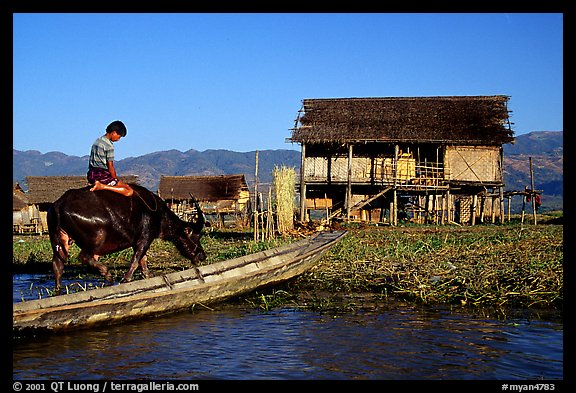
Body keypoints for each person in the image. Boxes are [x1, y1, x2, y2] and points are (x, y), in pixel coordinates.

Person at [87, 120, 134, 197]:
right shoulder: (109, 146)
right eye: (119, 137)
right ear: (114, 132)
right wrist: (115, 179)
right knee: (129, 190)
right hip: (102, 175)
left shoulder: (97, 141)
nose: (118, 139)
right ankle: (102, 186)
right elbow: (110, 166)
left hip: (91, 174)